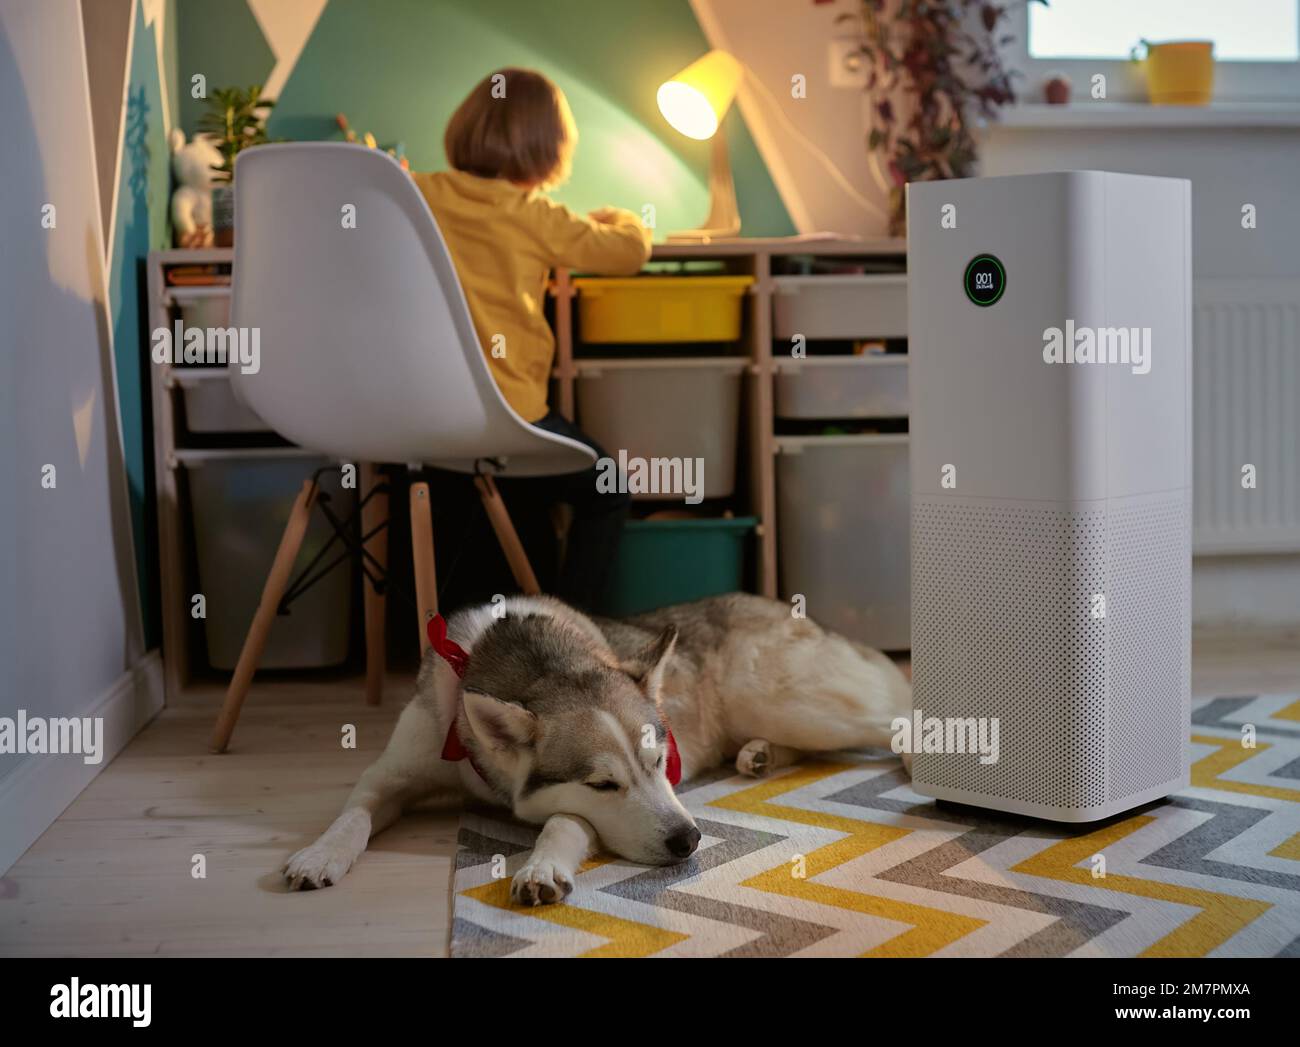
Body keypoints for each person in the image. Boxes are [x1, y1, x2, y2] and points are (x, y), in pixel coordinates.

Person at [411, 68, 651, 610]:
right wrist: (620, 216)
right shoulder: (536, 215)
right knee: (608, 489)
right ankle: (576, 633)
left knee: (513, 498)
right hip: (510, 417)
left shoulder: (418, 194)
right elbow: (628, 252)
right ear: (549, 149)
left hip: (421, 417)